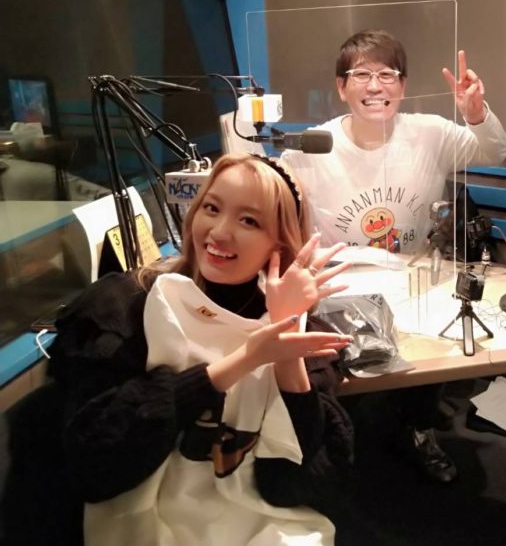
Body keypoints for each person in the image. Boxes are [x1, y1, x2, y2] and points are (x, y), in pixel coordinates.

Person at [47, 153, 357, 546]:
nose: (220, 232)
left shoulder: (304, 332)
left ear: (278, 245)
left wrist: (285, 340)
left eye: (249, 221)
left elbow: (297, 488)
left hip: (261, 525)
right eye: (211, 208)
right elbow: (95, 468)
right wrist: (243, 360)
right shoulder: (128, 307)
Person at [283, 30, 506, 484]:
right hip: (342, 283)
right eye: (361, 75)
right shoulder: (312, 148)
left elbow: (494, 151)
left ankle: (418, 428)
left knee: (433, 347)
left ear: (403, 86)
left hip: (414, 276)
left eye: (387, 74)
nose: (375, 86)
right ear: (341, 87)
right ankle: (335, 439)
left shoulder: (430, 132)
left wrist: (475, 113)